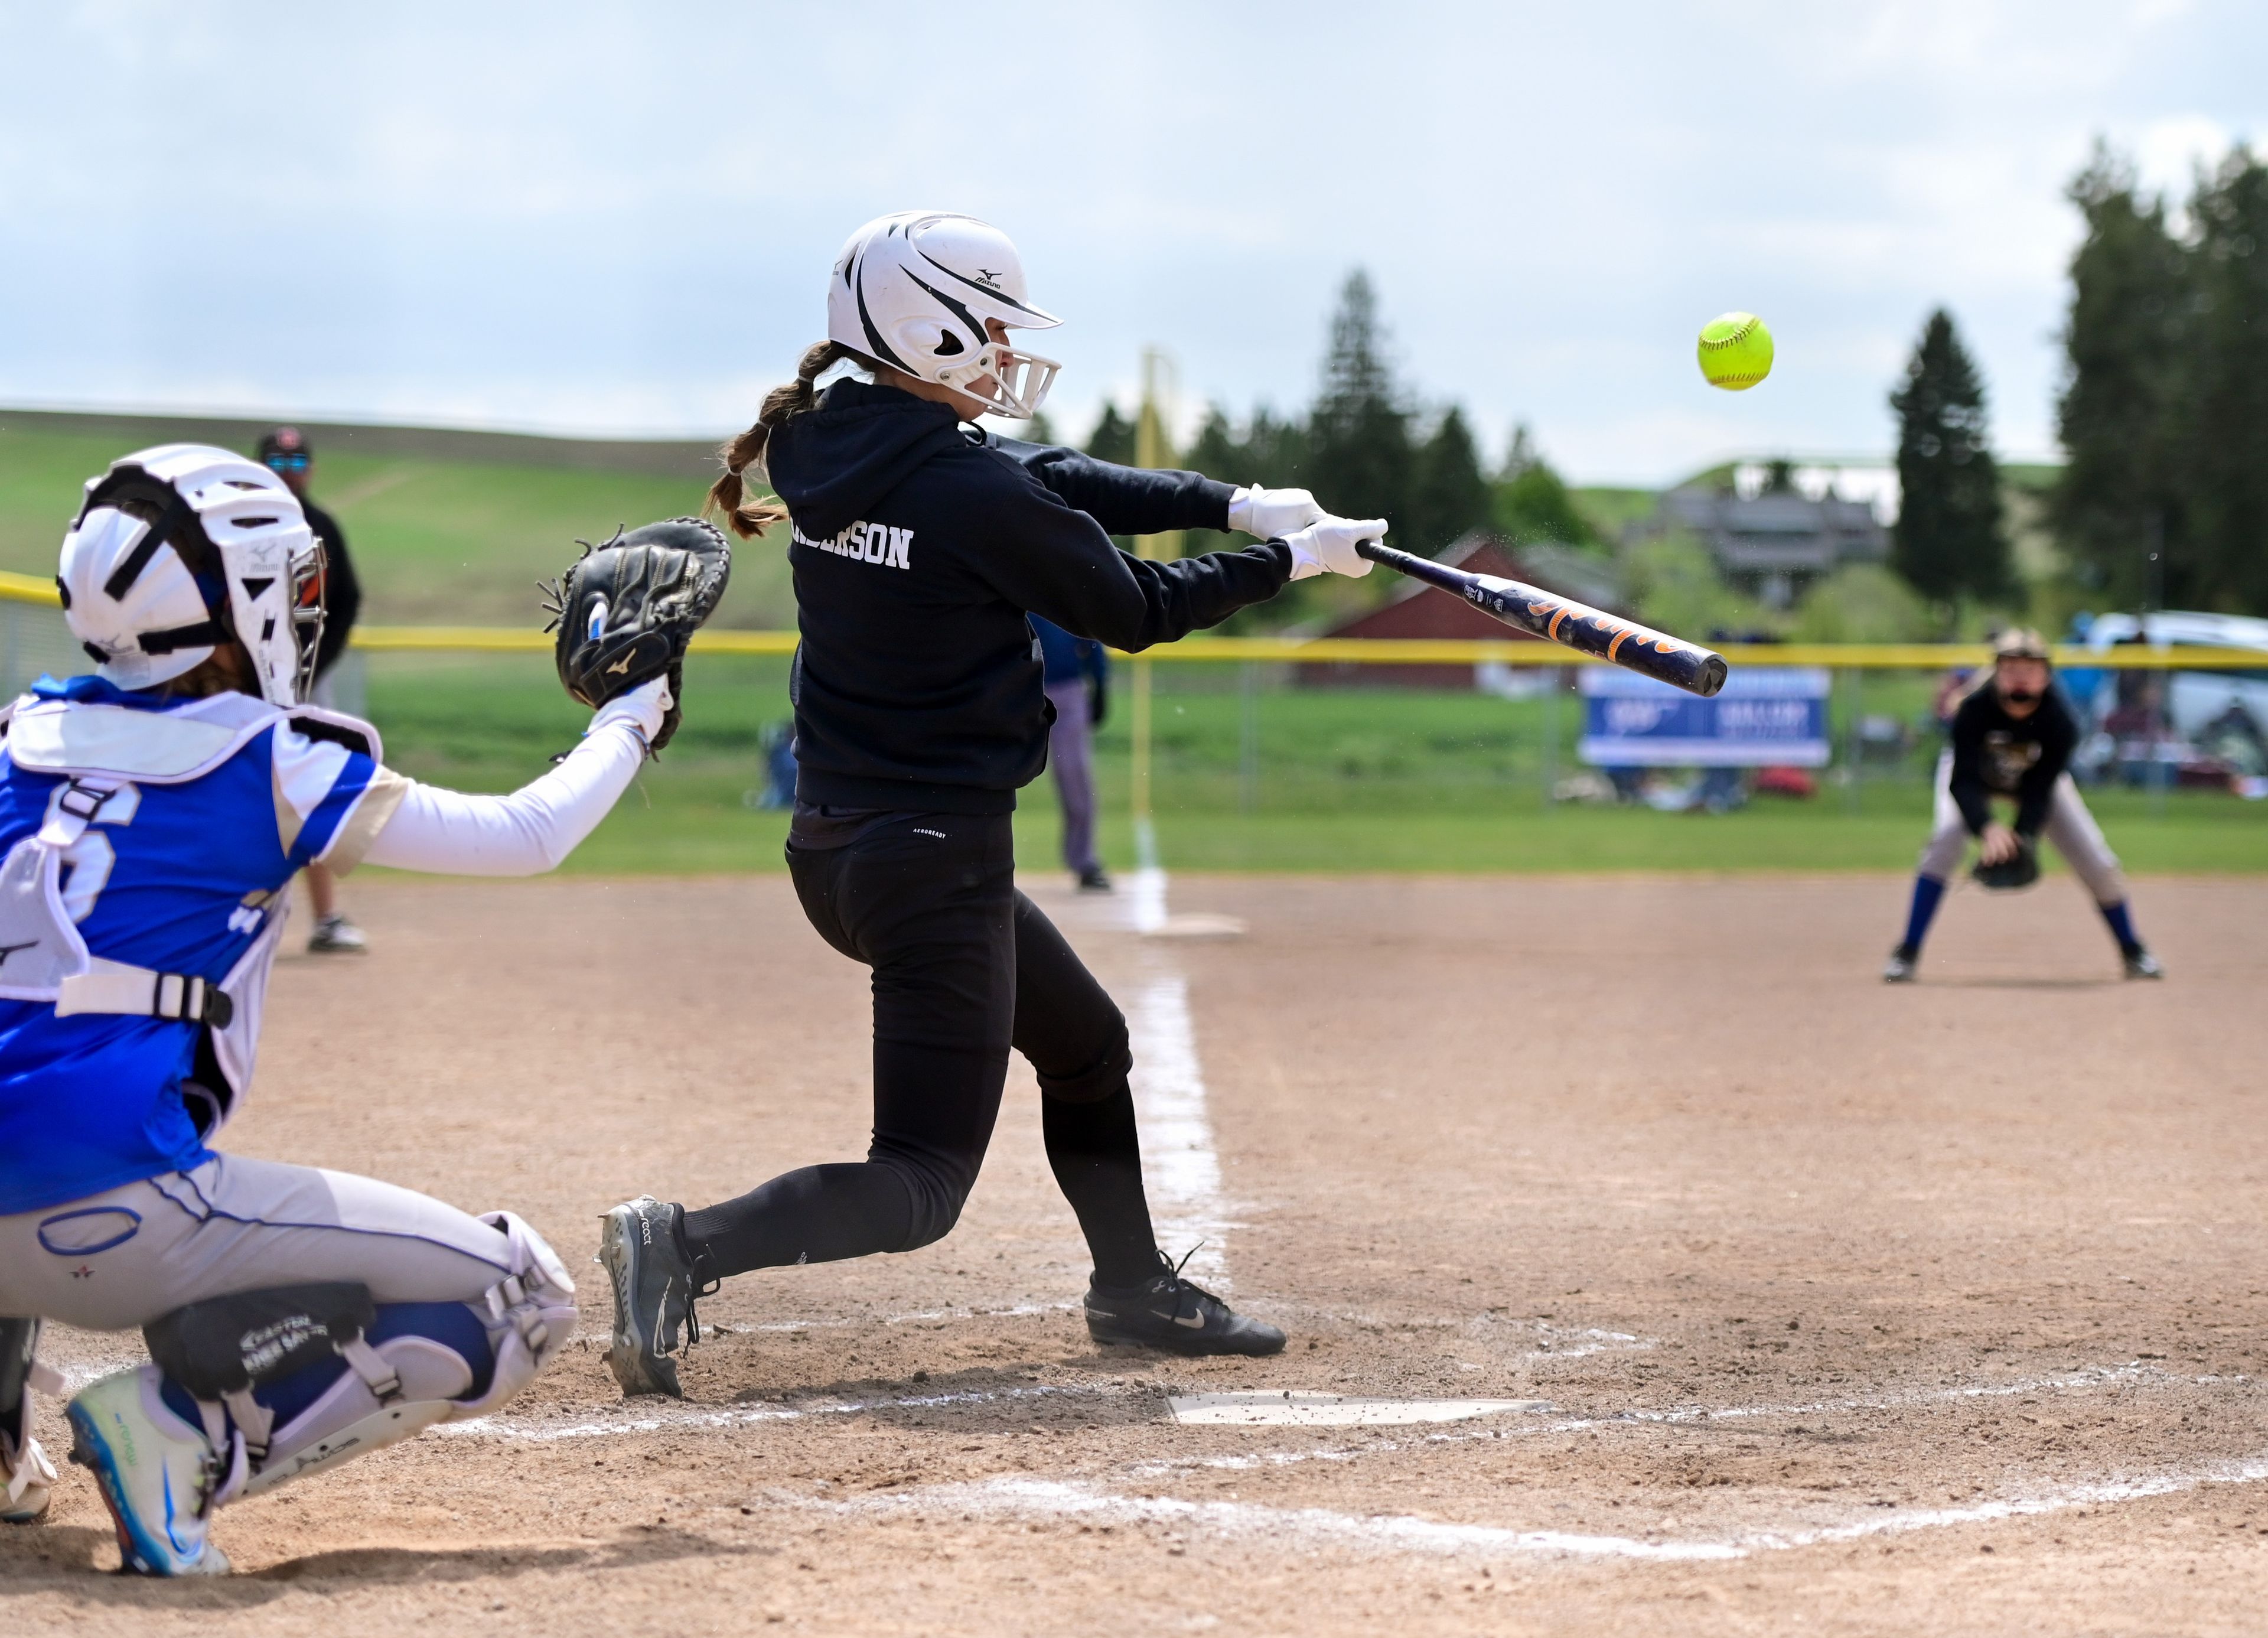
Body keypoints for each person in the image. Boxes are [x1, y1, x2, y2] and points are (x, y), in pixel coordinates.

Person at [598, 210, 1382, 1395]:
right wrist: (1290, 563)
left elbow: (1047, 480)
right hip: (930, 859)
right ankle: (680, 1244)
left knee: (1086, 1046)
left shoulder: (833, 438)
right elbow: (1133, 609)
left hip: (846, 844)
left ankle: (1130, 1288)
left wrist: (1239, 505)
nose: (1009, 348)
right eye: (994, 325)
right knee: (918, 1184)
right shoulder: (954, 485)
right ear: (930, 327)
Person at [0, 445, 682, 1574]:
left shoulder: (19, 733)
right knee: (523, 1296)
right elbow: (524, 834)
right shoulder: (268, 758)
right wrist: (630, 713)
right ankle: (183, 1438)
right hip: (110, 1218)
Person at [1884, 627, 2163, 983]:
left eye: (2030, 670)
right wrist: (1985, 826)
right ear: (1996, 673)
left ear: (2046, 676)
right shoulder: (1972, 710)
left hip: (2034, 784)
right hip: (1973, 780)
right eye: (2011, 669)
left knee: (2096, 859)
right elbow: (1963, 781)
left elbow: (2039, 788)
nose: (2021, 679)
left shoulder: (2060, 722)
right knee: (1946, 839)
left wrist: (2022, 835)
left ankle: (2133, 950)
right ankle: (1906, 952)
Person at [256, 427, 369, 955]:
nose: (289, 467)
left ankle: (326, 919)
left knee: (314, 787)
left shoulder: (320, 526)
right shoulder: (237, 525)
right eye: (278, 459)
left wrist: (309, 666)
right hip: (241, 681)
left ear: (311, 467)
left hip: (304, 680)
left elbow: (347, 600)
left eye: (298, 458)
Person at [1031, 613, 1110, 891]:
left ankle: (1085, 862)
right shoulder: (1015, 579)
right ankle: (981, 861)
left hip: (1068, 691)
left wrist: (1100, 681)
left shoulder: (1064, 583)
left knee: (1077, 780)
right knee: (994, 773)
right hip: (1022, 690)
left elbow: (1090, 633)